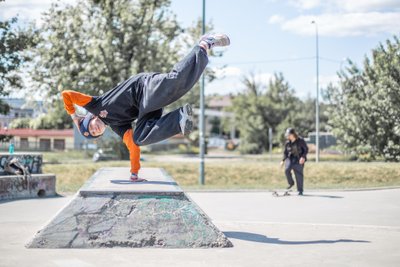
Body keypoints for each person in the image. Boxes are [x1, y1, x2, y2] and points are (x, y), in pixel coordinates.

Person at [61, 34, 230, 182]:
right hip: (146, 108)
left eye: (91, 127)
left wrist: (74, 116)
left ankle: (203, 44)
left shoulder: (94, 104)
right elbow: (133, 148)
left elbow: (67, 94)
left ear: (91, 119)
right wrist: (134, 173)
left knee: (175, 83)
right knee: (139, 138)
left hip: (143, 87)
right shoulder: (119, 127)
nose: (96, 130)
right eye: (95, 133)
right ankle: (179, 119)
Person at [280, 128, 308, 195]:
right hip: (290, 159)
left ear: (293, 134)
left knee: (298, 174)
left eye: (288, 135)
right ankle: (291, 183)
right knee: (287, 170)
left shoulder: (300, 140)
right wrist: (283, 160)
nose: (287, 136)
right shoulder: (287, 143)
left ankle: (300, 190)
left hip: (299, 159)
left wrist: (303, 157)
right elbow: (285, 153)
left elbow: (306, 149)